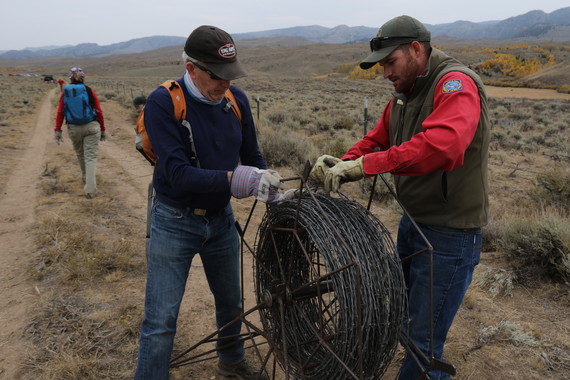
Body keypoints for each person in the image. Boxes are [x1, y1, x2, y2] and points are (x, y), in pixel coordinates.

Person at [310, 15, 489, 380]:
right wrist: (344, 161)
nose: (385, 72)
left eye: (390, 62)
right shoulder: (404, 94)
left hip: (450, 234)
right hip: (415, 223)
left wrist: (366, 166)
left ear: (416, 49)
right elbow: (379, 138)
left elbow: (443, 147)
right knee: (405, 315)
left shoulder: (455, 85)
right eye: (381, 65)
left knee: (424, 344)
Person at [134, 25, 281, 380]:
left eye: (230, 75)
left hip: (219, 220)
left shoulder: (236, 100)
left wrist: (266, 183)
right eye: (217, 76)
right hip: (174, 221)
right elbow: (176, 174)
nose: (225, 84)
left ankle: (231, 362)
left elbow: (251, 154)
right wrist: (232, 179)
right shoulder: (163, 102)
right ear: (192, 70)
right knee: (162, 317)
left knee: (231, 303)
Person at [54, 67, 106, 199]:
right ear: (83, 77)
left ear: (70, 78)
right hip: (91, 126)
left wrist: (58, 129)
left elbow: (60, 112)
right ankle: (90, 189)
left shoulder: (65, 93)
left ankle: (85, 177)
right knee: (90, 157)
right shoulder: (88, 90)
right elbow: (98, 110)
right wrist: (103, 129)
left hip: (74, 128)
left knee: (80, 154)